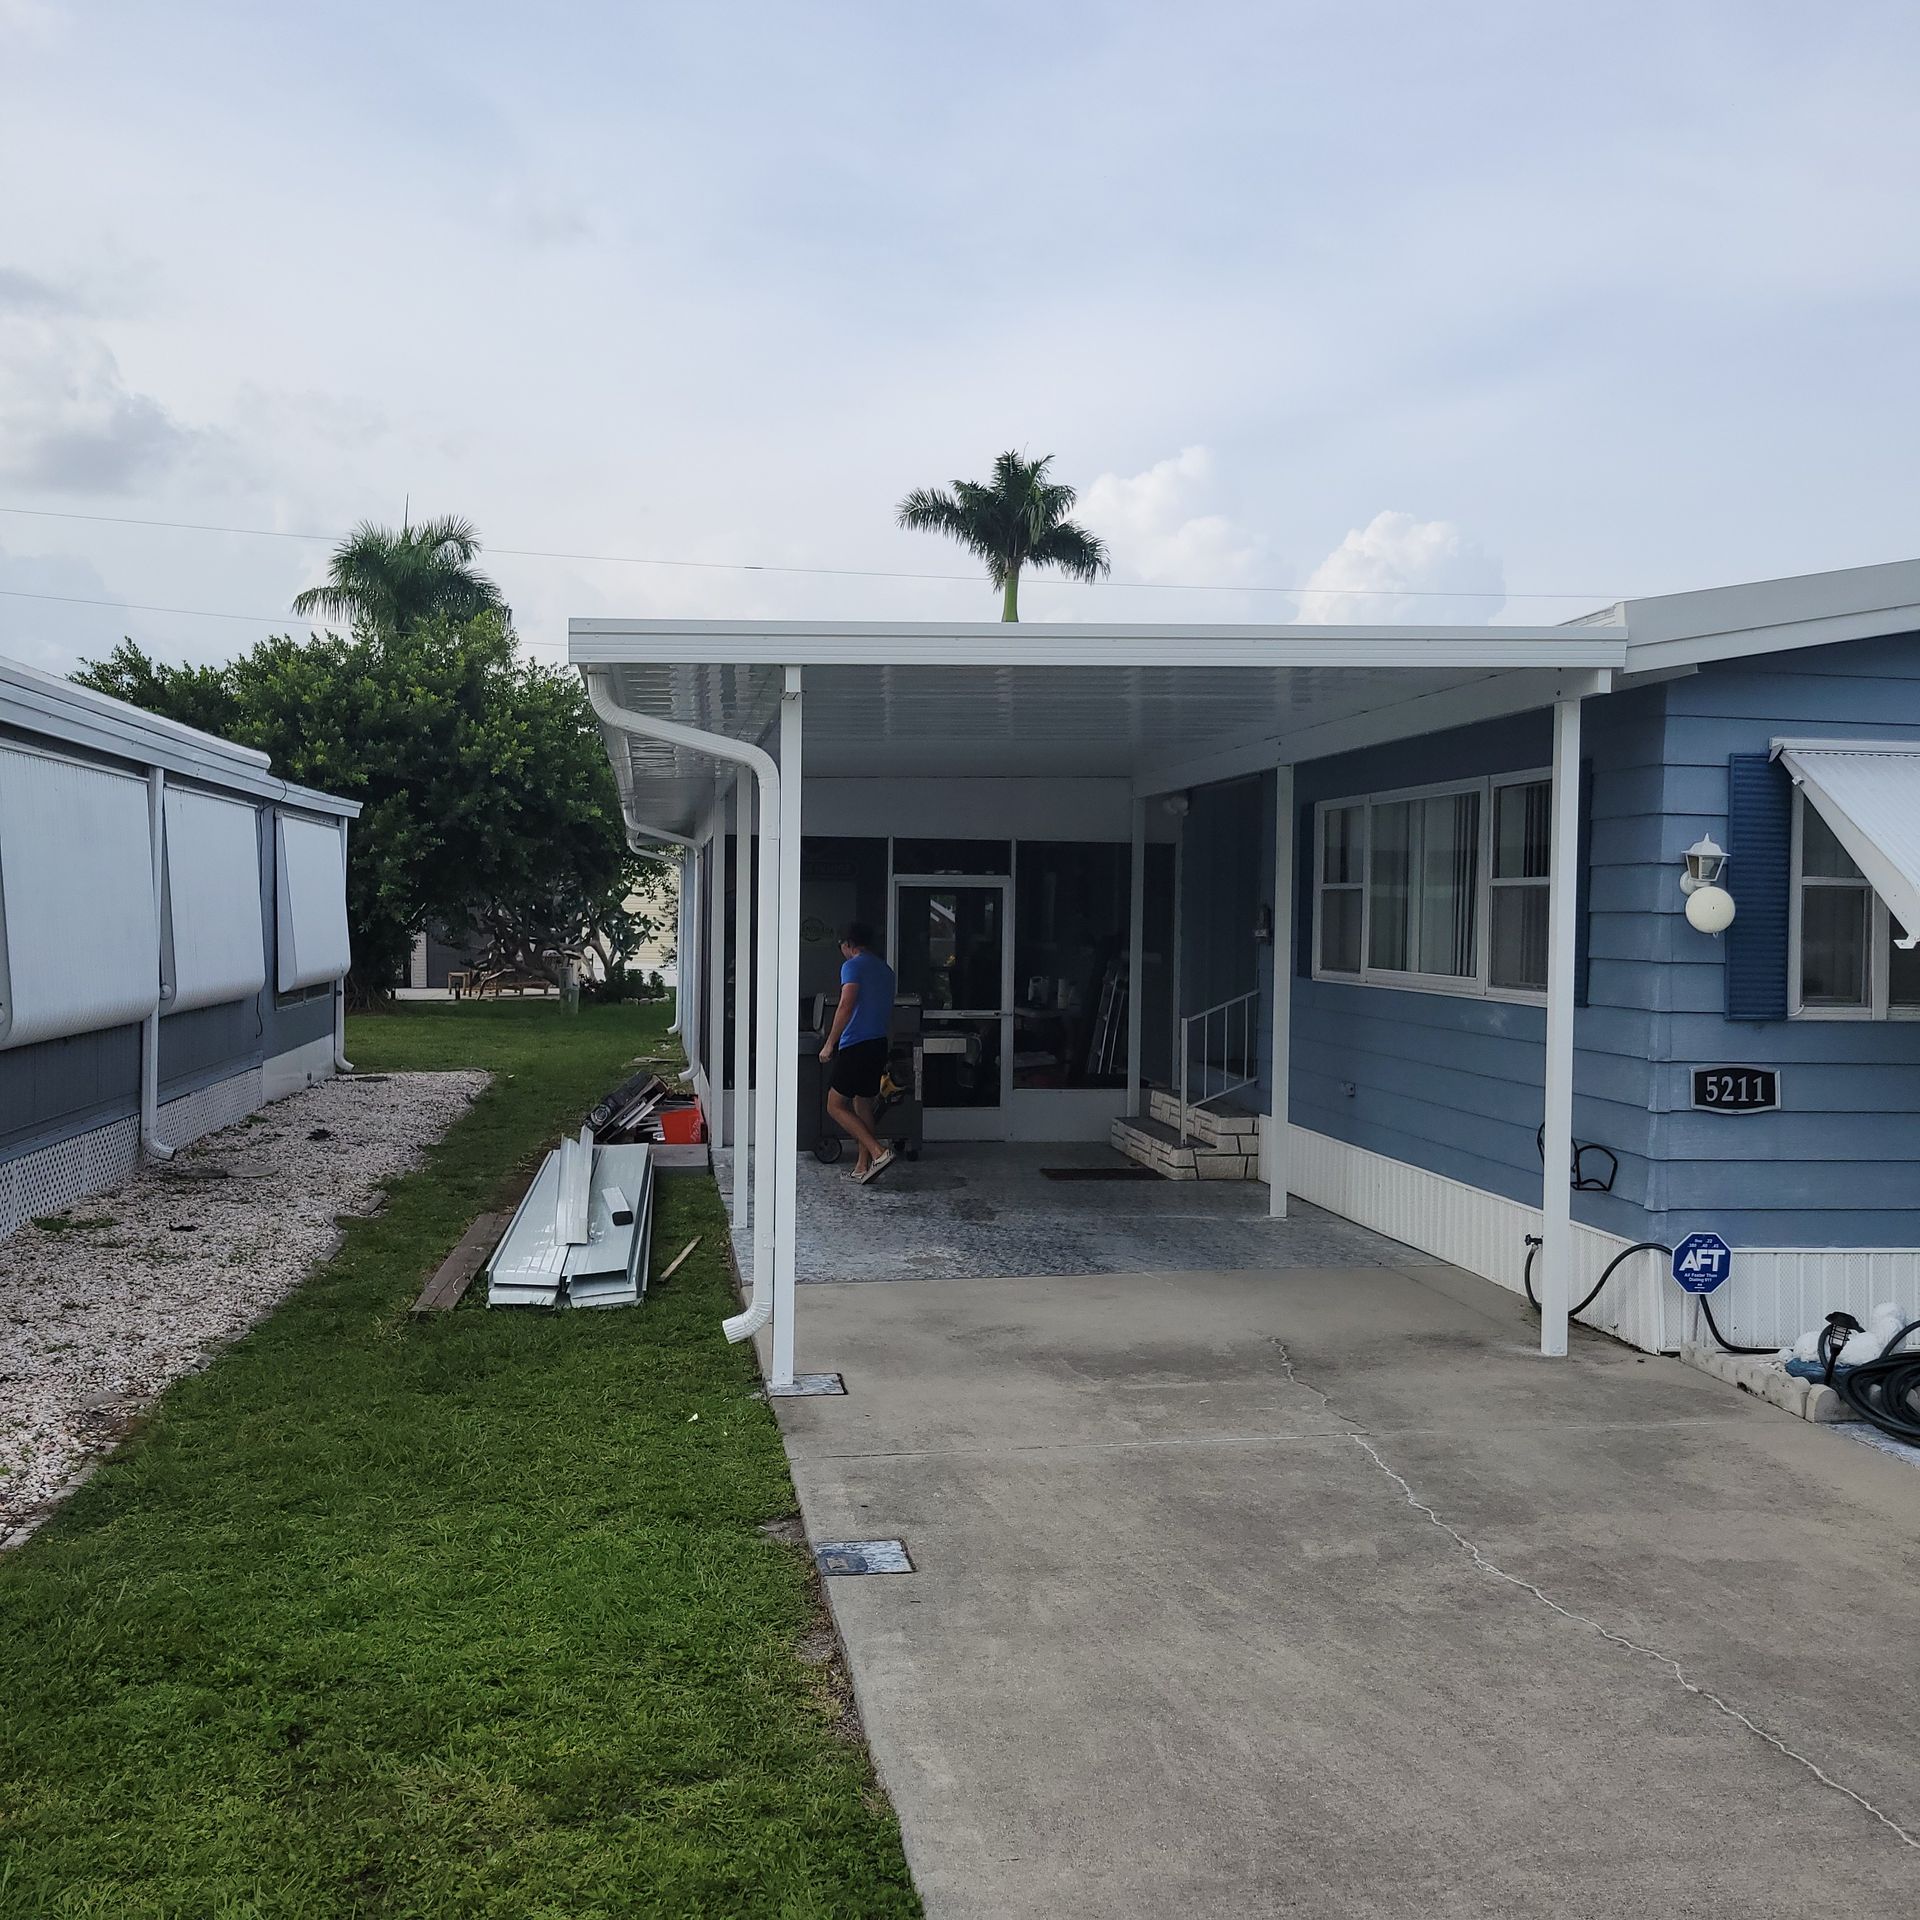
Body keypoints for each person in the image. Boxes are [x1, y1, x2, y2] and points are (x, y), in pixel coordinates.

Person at [819, 920, 897, 1184]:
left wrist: (830, 1043)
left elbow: (846, 1004)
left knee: (834, 1105)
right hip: (878, 1043)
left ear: (848, 944)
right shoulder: (885, 970)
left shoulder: (852, 966)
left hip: (856, 1044)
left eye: (841, 945)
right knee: (862, 1104)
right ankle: (863, 1167)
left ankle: (878, 1152)